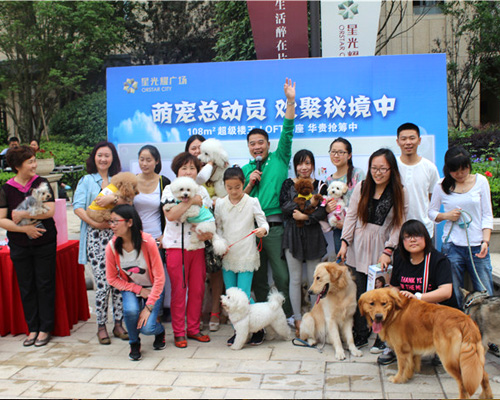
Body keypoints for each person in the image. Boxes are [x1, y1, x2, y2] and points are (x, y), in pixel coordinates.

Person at [242, 78, 296, 342]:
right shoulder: (245, 170)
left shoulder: (280, 158)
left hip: (275, 228)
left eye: (261, 142)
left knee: (283, 276)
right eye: (252, 143)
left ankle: (287, 315)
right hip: (251, 231)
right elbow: (238, 200)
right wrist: (250, 183)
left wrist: (290, 101)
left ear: (268, 144)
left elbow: (288, 130)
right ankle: (262, 321)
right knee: (259, 278)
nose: (257, 147)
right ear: (248, 147)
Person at [338, 148, 408, 349]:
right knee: (360, 293)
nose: (378, 173)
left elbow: (399, 224)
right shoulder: (362, 187)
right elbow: (351, 216)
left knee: (381, 296)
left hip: (381, 248)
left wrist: (388, 250)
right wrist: (344, 243)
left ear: (392, 169)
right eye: (374, 168)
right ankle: (361, 332)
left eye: (383, 169)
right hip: (358, 246)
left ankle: (382, 337)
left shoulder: (399, 191)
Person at [376, 219, 456, 365]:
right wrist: (396, 295)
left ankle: (439, 345)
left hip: (435, 308)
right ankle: (393, 346)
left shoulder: (438, 260)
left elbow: (446, 292)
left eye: (417, 235)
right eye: (407, 237)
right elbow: (394, 287)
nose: (412, 240)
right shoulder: (400, 257)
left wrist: (418, 297)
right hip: (410, 307)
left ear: (426, 237)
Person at [0, 146, 57, 347]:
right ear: (17, 166)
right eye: (30, 162)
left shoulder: (41, 183)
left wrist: (24, 214)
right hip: (20, 245)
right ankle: (32, 327)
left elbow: (49, 210)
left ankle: (45, 328)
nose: (34, 165)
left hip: (44, 242)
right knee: (26, 286)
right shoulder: (7, 189)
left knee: (45, 284)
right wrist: (25, 230)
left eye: (34, 161)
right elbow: (2, 219)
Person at [73, 141, 128, 345]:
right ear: (94, 158)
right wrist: (95, 223)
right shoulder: (87, 180)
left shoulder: (118, 180)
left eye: (107, 155)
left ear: (113, 158)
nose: (103, 159)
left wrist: (113, 200)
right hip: (96, 237)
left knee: (119, 280)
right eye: (100, 155)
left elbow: (128, 202)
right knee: (103, 283)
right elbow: (78, 207)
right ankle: (101, 325)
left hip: (118, 236)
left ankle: (119, 323)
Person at [428, 146, 494, 309]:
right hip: (452, 246)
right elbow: (431, 212)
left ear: (469, 166)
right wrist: (446, 215)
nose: (460, 174)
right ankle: (459, 321)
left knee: (485, 291)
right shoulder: (441, 185)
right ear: (448, 169)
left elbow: (487, 215)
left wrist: (485, 241)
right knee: (454, 292)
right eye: (455, 170)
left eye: (464, 169)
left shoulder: (481, 181)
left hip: (477, 245)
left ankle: (485, 322)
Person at [161, 152, 212, 348]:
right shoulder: (169, 190)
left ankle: (193, 328)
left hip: (197, 245)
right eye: (184, 168)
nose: (188, 172)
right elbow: (171, 215)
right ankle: (179, 332)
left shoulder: (202, 191)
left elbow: (207, 214)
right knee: (179, 290)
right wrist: (190, 200)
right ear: (177, 170)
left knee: (198, 290)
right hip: (176, 247)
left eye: (192, 168)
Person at [214, 166, 269, 345]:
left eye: (237, 187)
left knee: (243, 295)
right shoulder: (220, 204)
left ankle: (258, 328)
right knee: (231, 297)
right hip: (228, 255)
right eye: (229, 187)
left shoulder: (251, 201)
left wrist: (262, 230)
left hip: (246, 254)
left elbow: (263, 223)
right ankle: (239, 331)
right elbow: (218, 228)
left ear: (243, 183)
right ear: (224, 186)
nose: (233, 191)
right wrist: (220, 244)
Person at [105, 205, 166, 361]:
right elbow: (111, 278)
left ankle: (160, 332)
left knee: (148, 328)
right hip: (131, 287)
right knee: (131, 311)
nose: (112, 225)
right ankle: (134, 343)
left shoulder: (148, 242)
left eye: (116, 221)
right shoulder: (112, 246)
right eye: (110, 221)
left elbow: (160, 278)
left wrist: (148, 306)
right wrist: (138, 289)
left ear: (130, 222)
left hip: (153, 288)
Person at [280, 149, 327, 334]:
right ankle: (298, 319)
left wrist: (305, 216)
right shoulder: (287, 184)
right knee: (295, 279)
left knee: (316, 280)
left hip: (314, 234)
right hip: (292, 234)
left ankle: (315, 318)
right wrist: (308, 207)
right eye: (300, 163)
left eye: (307, 163)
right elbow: (285, 206)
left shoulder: (321, 185)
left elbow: (323, 211)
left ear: (313, 165)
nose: (304, 167)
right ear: (295, 166)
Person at [186, 136, 223, 332]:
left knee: (216, 271)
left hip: (216, 225)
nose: (197, 152)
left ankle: (215, 311)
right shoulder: (187, 174)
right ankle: (197, 313)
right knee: (196, 275)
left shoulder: (220, 168)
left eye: (201, 148)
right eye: (193, 148)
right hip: (192, 230)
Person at [133, 145, 171, 319]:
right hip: (135, 239)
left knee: (157, 278)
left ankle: (156, 316)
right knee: (136, 275)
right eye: (141, 159)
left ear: (157, 161)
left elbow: (170, 212)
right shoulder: (132, 181)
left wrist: (165, 235)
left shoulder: (164, 182)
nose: (145, 163)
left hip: (156, 238)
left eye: (149, 160)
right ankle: (137, 314)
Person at [396, 123, 440, 238]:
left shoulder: (429, 167)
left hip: (423, 229)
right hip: (396, 229)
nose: (408, 142)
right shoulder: (392, 166)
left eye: (412, 138)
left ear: (419, 140)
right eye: (403, 139)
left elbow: (433, 197)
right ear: (398, 142)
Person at [325, 138, 365, 254]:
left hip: (358, 228)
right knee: (342, 262)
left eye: (341, 152)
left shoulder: (357, 174)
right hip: (339, 230)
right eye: (333, 152)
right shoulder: (329, 180)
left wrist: (349, 224)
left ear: (349, 155)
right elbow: (329, 205)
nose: (336, 155)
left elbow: (364, 202)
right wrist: (327, 209)